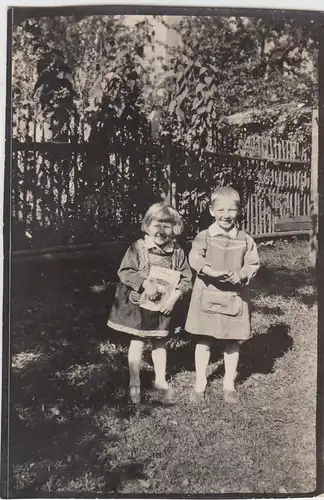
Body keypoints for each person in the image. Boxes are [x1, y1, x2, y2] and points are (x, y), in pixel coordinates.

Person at [107, 202, 192, 405]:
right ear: (147, 225)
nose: (161, 230)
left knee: (160, 341)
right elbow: (125, 272)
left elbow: (186, 278)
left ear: (175, 228)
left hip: (163, 305)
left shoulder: (177, 252)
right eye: (156, 225)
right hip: (139, 304)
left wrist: (174, 298)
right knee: (137, 341)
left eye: (167, 225)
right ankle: (134, 381)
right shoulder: (138, 248)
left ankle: (160, 379)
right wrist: (145, 283)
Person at [185, 186, 260, 404]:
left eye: (231, 210)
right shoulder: (204, 236)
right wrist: (210, 271)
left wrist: (242, 275)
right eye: (220, 210)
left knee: (232, 342)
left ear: (239, 211)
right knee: (204, 340)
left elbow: (253, 263)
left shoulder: (245, 239)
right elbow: (195, 258)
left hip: (233, 298)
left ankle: (229, 384)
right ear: (211, 210)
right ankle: (200, 383)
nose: (226, 215)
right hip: (207, 295)